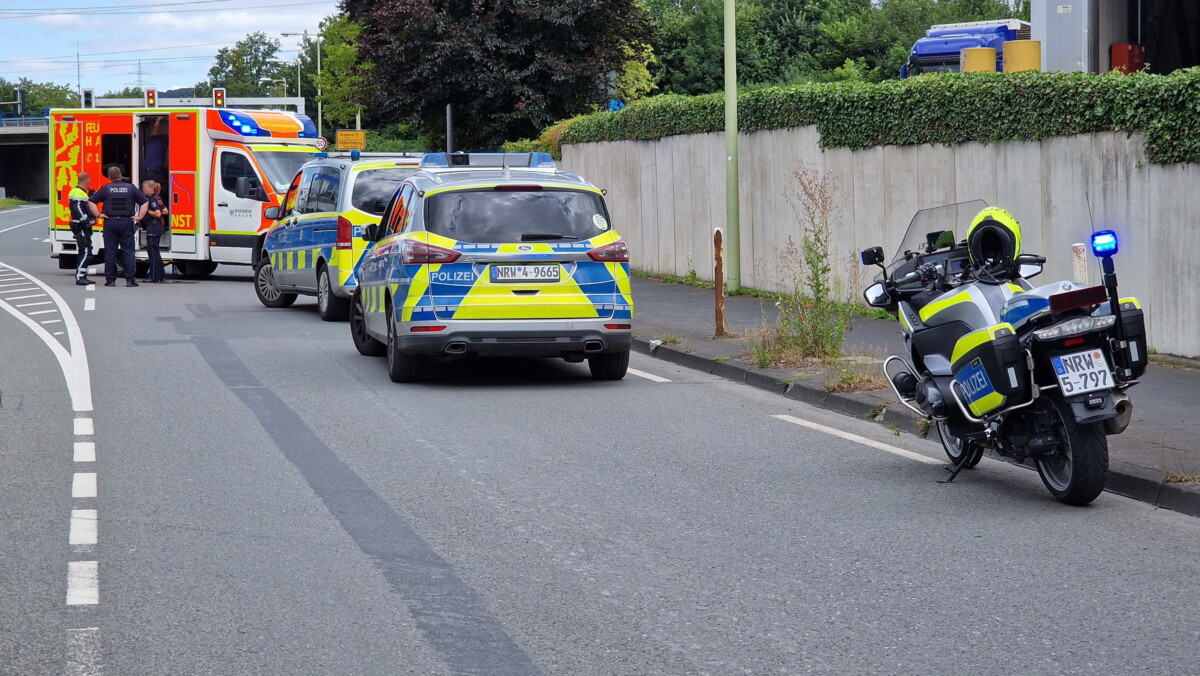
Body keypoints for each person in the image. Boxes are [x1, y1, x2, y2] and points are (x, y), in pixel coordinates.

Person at [88, 166, 148, 287]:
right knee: (128, 252)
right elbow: (144, 202)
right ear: (121, 175)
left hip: (110, 222)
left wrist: (98, 214)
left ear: (109, 177)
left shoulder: (106, 189)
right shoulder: (131, 188)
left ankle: (110, 280)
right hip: (126, 222)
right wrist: (140, 216)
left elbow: (91, 201)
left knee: (110, 252)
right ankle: (130, 280)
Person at [68, 173, 96, 286]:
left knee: (83, 251)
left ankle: (82, 275)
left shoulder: (81, 192)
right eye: (89, 181)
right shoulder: (77, 193)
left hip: (82, 226)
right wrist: (85, 220)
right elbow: (77, 207)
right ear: (86, 181)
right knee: (86, 251)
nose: (90, 183)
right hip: (81, 226)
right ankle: (80, 276)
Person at [141, 180, 168, 283]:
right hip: (158, 227)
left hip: (153, 226)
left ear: (150, 188)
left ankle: (153, 277)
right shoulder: (158, 198)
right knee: (156, 252)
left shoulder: (152, 199)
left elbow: (157, 214)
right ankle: (161, 276)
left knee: (152, 253)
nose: (143, 189)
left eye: (144, 188)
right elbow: (165, 210)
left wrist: (146, 211)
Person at [143, 116, 168, 186]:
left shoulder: (154, 140)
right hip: (155, 171)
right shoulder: (154, 140)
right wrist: (158, 120)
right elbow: (154, 131)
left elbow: (154, 130)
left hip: (151, 171)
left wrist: (158, 120)